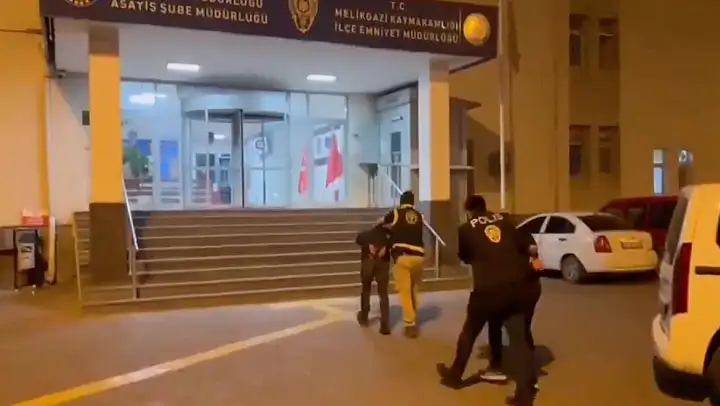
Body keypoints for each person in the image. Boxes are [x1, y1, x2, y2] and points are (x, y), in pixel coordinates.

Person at [436, 195, 539, 406]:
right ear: (485, 207)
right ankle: (525, 393)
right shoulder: (504, 220)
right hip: (516, 286)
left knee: (470, 331)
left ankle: (455, 376)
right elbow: (525, 245)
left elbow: (465, 256)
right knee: (519, 340)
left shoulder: (466, 229)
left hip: (488, 290)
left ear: (469, 211)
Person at [482, 255, 542, 385]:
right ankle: (528, 370)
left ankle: (499, 367)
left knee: (504, 326)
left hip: (516, 289)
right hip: (529, 287)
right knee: (522, 328)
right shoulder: (523, 244)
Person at [379, 190, 425, 338]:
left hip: (403, 257)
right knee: (414, 290)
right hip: (419, 257)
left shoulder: (396, 213)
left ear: (401, 201)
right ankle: (412, 316)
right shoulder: (419, 215)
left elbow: (381, 221)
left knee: (404, 292)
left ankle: (410, 324)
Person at [354, 223, 392, 335]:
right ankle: (385, 324)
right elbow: (395, 242)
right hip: (383, 263)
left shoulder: (367, 234)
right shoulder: (388, 235)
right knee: (383, 293)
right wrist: (385, 246)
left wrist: (368, 245)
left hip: (368, 262)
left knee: (366, 290)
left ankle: (364, 316)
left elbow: (358, 239)